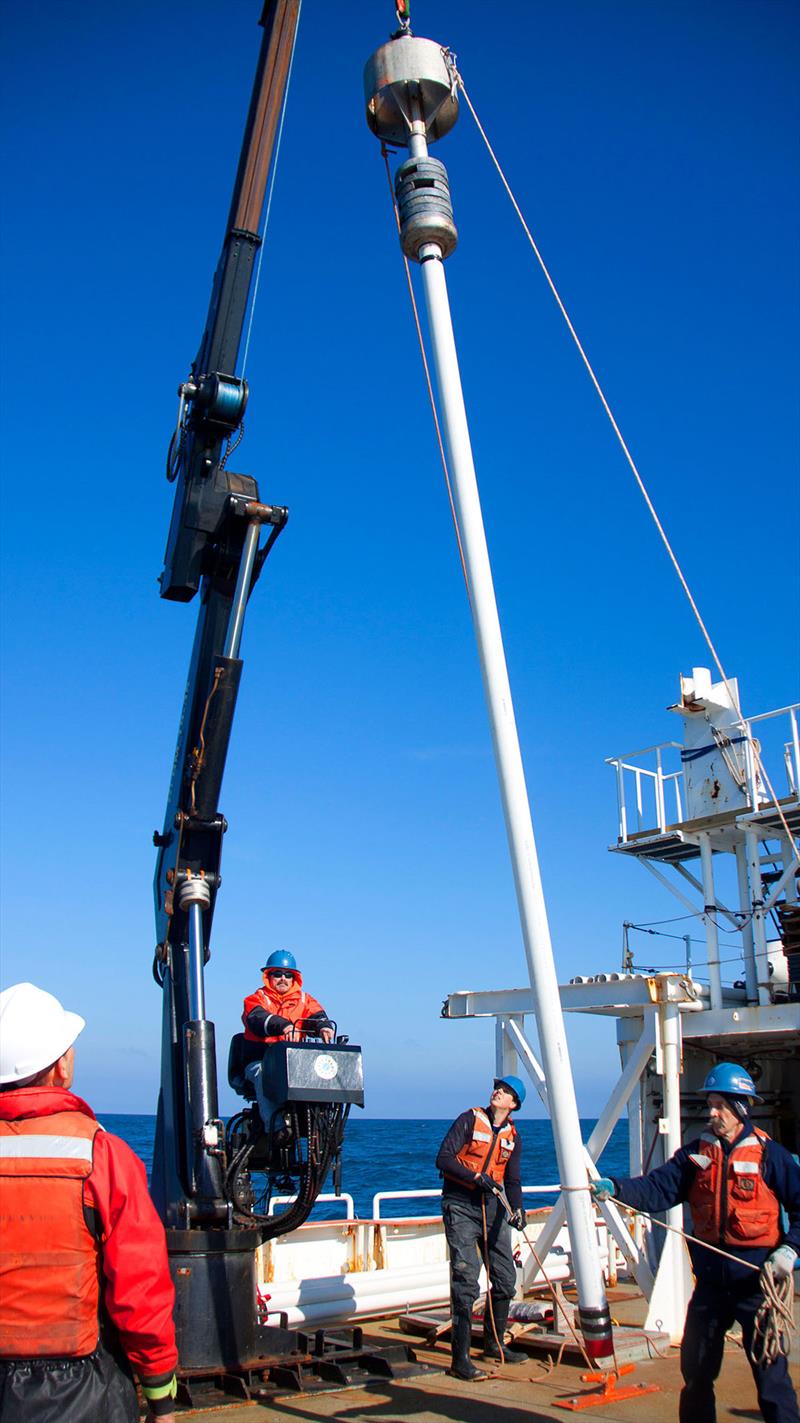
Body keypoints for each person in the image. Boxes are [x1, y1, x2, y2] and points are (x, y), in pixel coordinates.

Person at [0, 982, 178, 1423]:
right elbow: (140, 1288)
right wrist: (160, 1396)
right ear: (60, 1066)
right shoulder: (101, 1156)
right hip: (76, 1388)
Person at [591, 1061, 800, 1423]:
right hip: (711, 1288)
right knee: (697, 1373)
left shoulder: (770, 1156)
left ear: (740, 1109)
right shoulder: (695, 1155)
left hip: (756, 1287)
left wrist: (789, 1251)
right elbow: (658, 1188)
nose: (712, 1113)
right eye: (711, 1105)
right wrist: (617, 1188)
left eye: (720, 1105)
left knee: (772, 1380)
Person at [435, 1075, 528, 1380]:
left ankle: (494, 1342)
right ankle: (459, 1360)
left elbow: (512, 1180)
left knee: (505, 1278)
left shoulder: (513, 1136)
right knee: (466, 1278)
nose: (496, 1092)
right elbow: (444, 1159)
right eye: (497, 1089)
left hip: (493, 1207)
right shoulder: (469, 1120)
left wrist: (518, 1210)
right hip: (460, 1204)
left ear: (513, 1104)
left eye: (504, 1092)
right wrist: (474, 1178)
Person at [242, 950, 334, 1131]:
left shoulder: (304, 1000)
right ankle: (275, 1129)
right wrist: (282, 1025)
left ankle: (318, 1129)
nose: (283, 979)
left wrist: (323, 1026)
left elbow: (316, 1014)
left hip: (294, 1063)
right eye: (277, 974)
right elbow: (256, 1018)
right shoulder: (256, 999)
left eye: (288, 975)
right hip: (260, 1059)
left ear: (294, 979)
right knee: (263, 1072)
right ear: (268, 976)